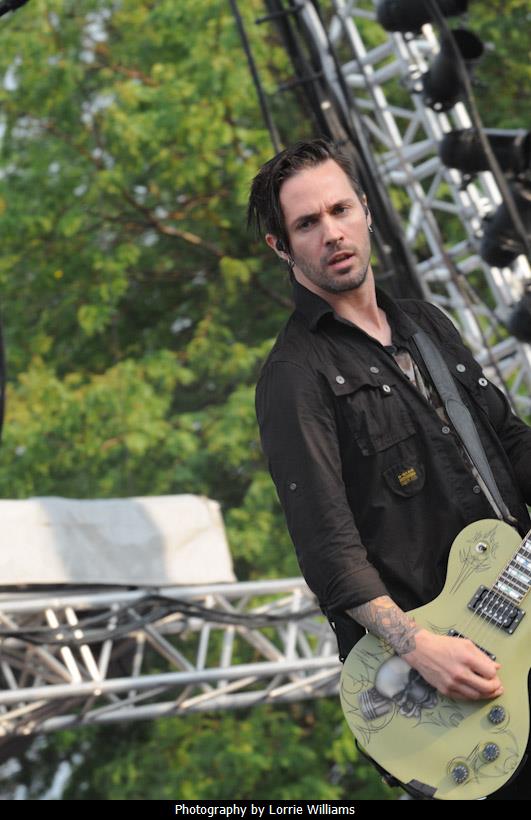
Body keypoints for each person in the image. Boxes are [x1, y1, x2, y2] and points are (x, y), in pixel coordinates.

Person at [248, 138, 531, 800]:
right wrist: (419, 647)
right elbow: (328, 550)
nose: (331, 233)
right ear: (281, 247)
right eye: (307, 224)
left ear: (366, 211)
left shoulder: (425, 325)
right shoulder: (293, 376)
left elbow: (507, 442)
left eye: (340, 210)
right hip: (440, 677)